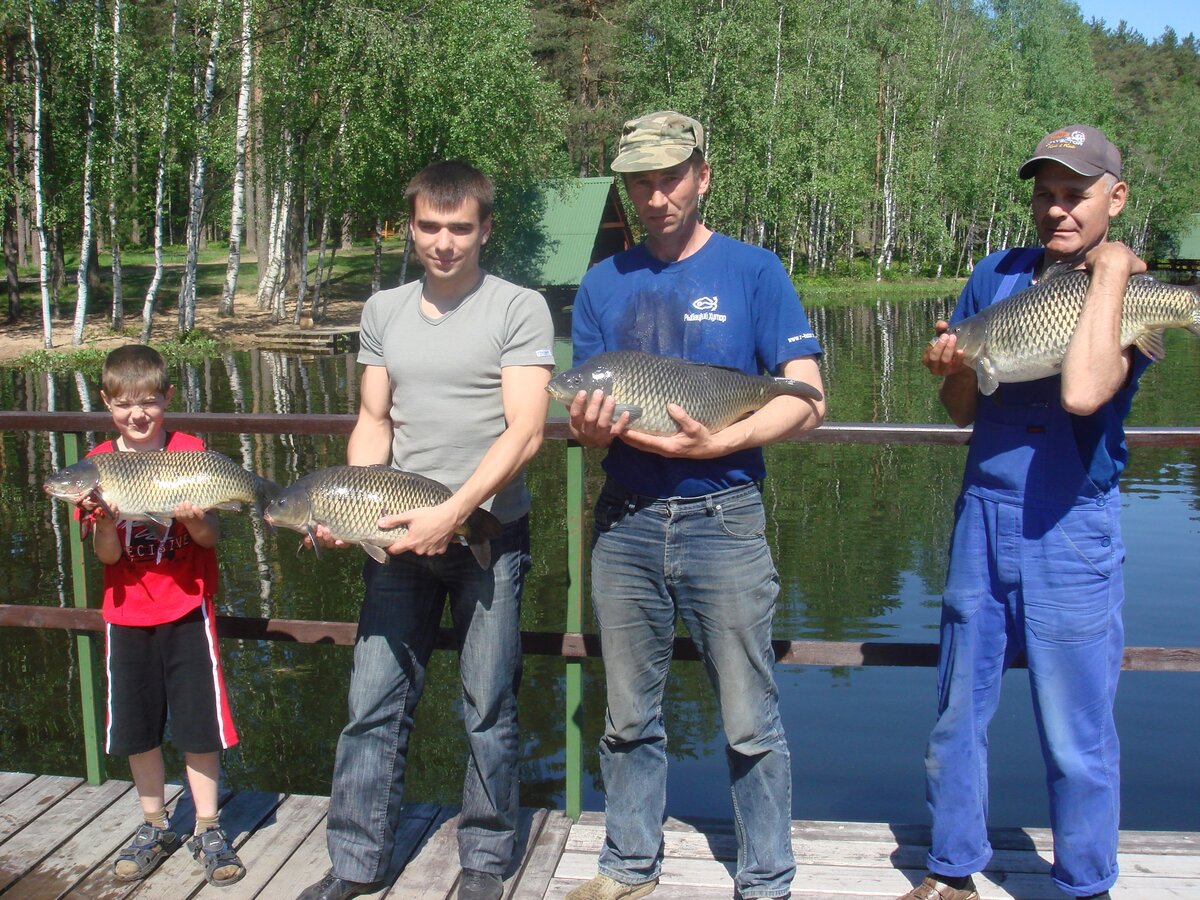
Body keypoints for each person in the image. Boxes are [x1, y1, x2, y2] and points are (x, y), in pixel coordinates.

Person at [564, 111, 826, 900]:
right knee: (626, 714)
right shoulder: (601, 283)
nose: (655, 196)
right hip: (626, 521)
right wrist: (587, 427)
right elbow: (587, 406)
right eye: (640, 183)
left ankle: (766, 878)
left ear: (702, 177)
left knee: (749, 715)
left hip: (725, 519)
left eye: (670, 178)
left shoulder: (755, 271)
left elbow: (807, 398)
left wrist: (719, 444)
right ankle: (628, 866)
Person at [296, 160, 555, 900]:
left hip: (487, 535)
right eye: (430, 227)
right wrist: (349, 507)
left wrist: (454, 511)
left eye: (460, 228)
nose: (444, 243)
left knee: (487, 704)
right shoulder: (384, 309)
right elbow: (373, 419)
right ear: (410, 228)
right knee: (373, 701)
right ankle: (356, 862)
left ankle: (485, 861)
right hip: (396, 540)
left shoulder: (519, 308)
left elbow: (526, 431)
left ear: (485, 230)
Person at [905, 125, 1148, 900]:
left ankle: (1085, 883)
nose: (1057, 210)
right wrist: (954, 366)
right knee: (957, 714)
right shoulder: (994, 274)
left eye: (1076, 194)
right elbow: (960, 410)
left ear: (1115, 198)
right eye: (1046, 195)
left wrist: (1111, 272)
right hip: (982, 515)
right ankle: (952, 872)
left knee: (1077, 731)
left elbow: (1085, 391)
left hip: (1070, 524)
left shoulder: (1129, 289)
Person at [78, 344, 245, 888]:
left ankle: (208, 827)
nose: (138, 414)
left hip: (188, 608)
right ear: (107, 404)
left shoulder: (191, 453)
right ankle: (153, 824)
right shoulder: (96, 466)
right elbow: (107, 557)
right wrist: (105, 522)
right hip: (125, 613)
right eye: (125, 405)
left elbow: (209, 538)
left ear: (167, 399)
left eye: (149, 402)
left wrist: (194, 519)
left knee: (199, 722)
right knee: (137, 724)